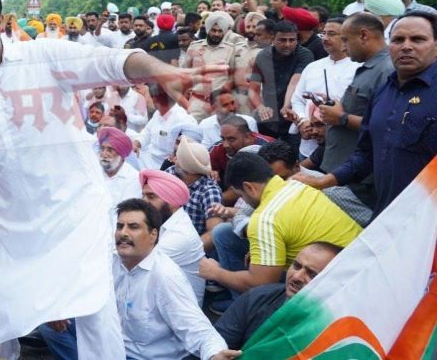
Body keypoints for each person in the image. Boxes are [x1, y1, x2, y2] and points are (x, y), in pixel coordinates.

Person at [0, 0, 222, 357]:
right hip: (15, 230)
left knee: (95, 315)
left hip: (77, 214)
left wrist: (159, 70)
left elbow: (112, 61)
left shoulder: (43, 56)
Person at [297, 12, 437, 219]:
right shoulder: (384, 91)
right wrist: (324, 181)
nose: (406, 46)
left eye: (418, 39)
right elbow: (366, 153)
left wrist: (342, 118)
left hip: (428, 221)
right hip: (387, 213)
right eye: (398, 40)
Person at [198, 152, 361, 294]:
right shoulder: (297, 185)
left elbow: (260, 284)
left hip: (334, 285)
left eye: (241, 195)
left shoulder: (264, 219)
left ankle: (250, 313)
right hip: (360, 259)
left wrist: (215, 272)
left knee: (254, 288)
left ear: (249, 188)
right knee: (224, 232)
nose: (243, 200)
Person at [111, 199, 238, 360]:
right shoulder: (112, 262)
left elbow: (195, 325)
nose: (124, 233)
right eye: (120, 226)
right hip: (114, 348)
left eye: (133, 227)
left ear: (153, 235)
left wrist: (214, 352)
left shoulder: (164, 276)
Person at [214, 242, 343, 349]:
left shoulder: (341, 330)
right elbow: (217, 345)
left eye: (312, 274)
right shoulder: (257, 297)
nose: (297, 276)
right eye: (297, 266)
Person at [284, 16, 359, 160]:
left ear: (346, 37)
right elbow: (298, 100)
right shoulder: (313, 67)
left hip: (342, 147)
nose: (324, 38)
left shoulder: (359, 67)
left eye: (331, 34)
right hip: (308, 148)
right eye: (323, 33)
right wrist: (303, 121)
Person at [140, 169, 205, 306]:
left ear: (172, 202)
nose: (144, 203)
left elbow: (137, 266)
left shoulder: (180, 235)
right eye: (143, 196)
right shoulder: (161, 221)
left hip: (177, 310)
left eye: (151, 197)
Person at [249, 20, 314, 140]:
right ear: (273, 39)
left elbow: (295, 82)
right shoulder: (263, 56)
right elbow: (253, 89)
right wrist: (260, 107)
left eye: (292, 40)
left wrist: (286, 106)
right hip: (267, 119)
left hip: (293, 118)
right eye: (282, 40)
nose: (288, 44)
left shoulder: (305, 55)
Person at [184, 12, 246, 121]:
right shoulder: (195, 47)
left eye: (220, 31)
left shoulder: (231, 49)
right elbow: (185, 72)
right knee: (190, 132)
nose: (217, 34)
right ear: (208, 30)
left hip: (220, 103)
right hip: (197, 101)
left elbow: (232, 75)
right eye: (213, 30)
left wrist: (226, 88)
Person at [171, 136, 223, 251]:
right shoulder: (171, 174)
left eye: (178, 159)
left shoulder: (209, 191)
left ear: (187, 167)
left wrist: (188, 252)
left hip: (189, 250)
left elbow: (214, 232)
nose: (174, 160)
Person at [134, 84, 197, 170]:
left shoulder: (184, 119)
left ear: (154, 99)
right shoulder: (157, 113)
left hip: (168, 167)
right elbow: (147, 131)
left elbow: (191, 148)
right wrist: (137, 143)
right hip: (147, 160)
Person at [209, 115, 272, 194]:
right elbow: (203, 167)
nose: (225, 145)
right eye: (223, 139)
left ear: (247, 137)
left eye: (231, 139)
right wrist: (211, 171)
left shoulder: (268, 147)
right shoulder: (218, 149)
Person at [98, 127, 142, 216]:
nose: (104, 154)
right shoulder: (95, 171)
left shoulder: (134, 178)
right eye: (102, 149)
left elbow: (125, 213)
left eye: (110, 150)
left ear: (121, 155)